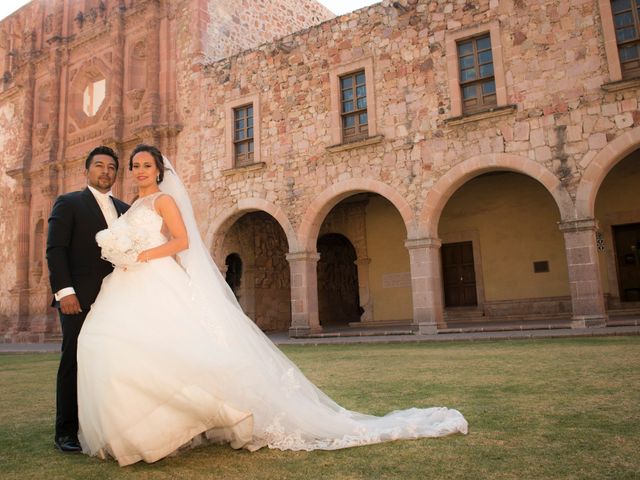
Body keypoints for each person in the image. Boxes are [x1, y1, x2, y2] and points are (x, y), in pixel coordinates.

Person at [76, 144, 468, 467]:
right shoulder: (132, 206)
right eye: (136, 166)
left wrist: (143, 256)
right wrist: (122, 253)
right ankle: (140, 432)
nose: (141, 170)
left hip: (154, 275)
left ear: (160, 171)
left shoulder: (164, 202)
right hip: (129, 283)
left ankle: (185, 422)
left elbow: (182, 242)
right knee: (121, 349)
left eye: (147, 165)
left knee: (169, 352)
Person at [46, 146, 129, 453]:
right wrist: (65, 291)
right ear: (87, 170)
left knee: (110, 363)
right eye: (99, 165)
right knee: (73, 361)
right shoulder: (69, 203)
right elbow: (56, 249)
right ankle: (66, 432)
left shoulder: (125, 208)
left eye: (111, 167)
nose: (105, 171)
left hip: (116, 299)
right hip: (78, 299)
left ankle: (102, 425)